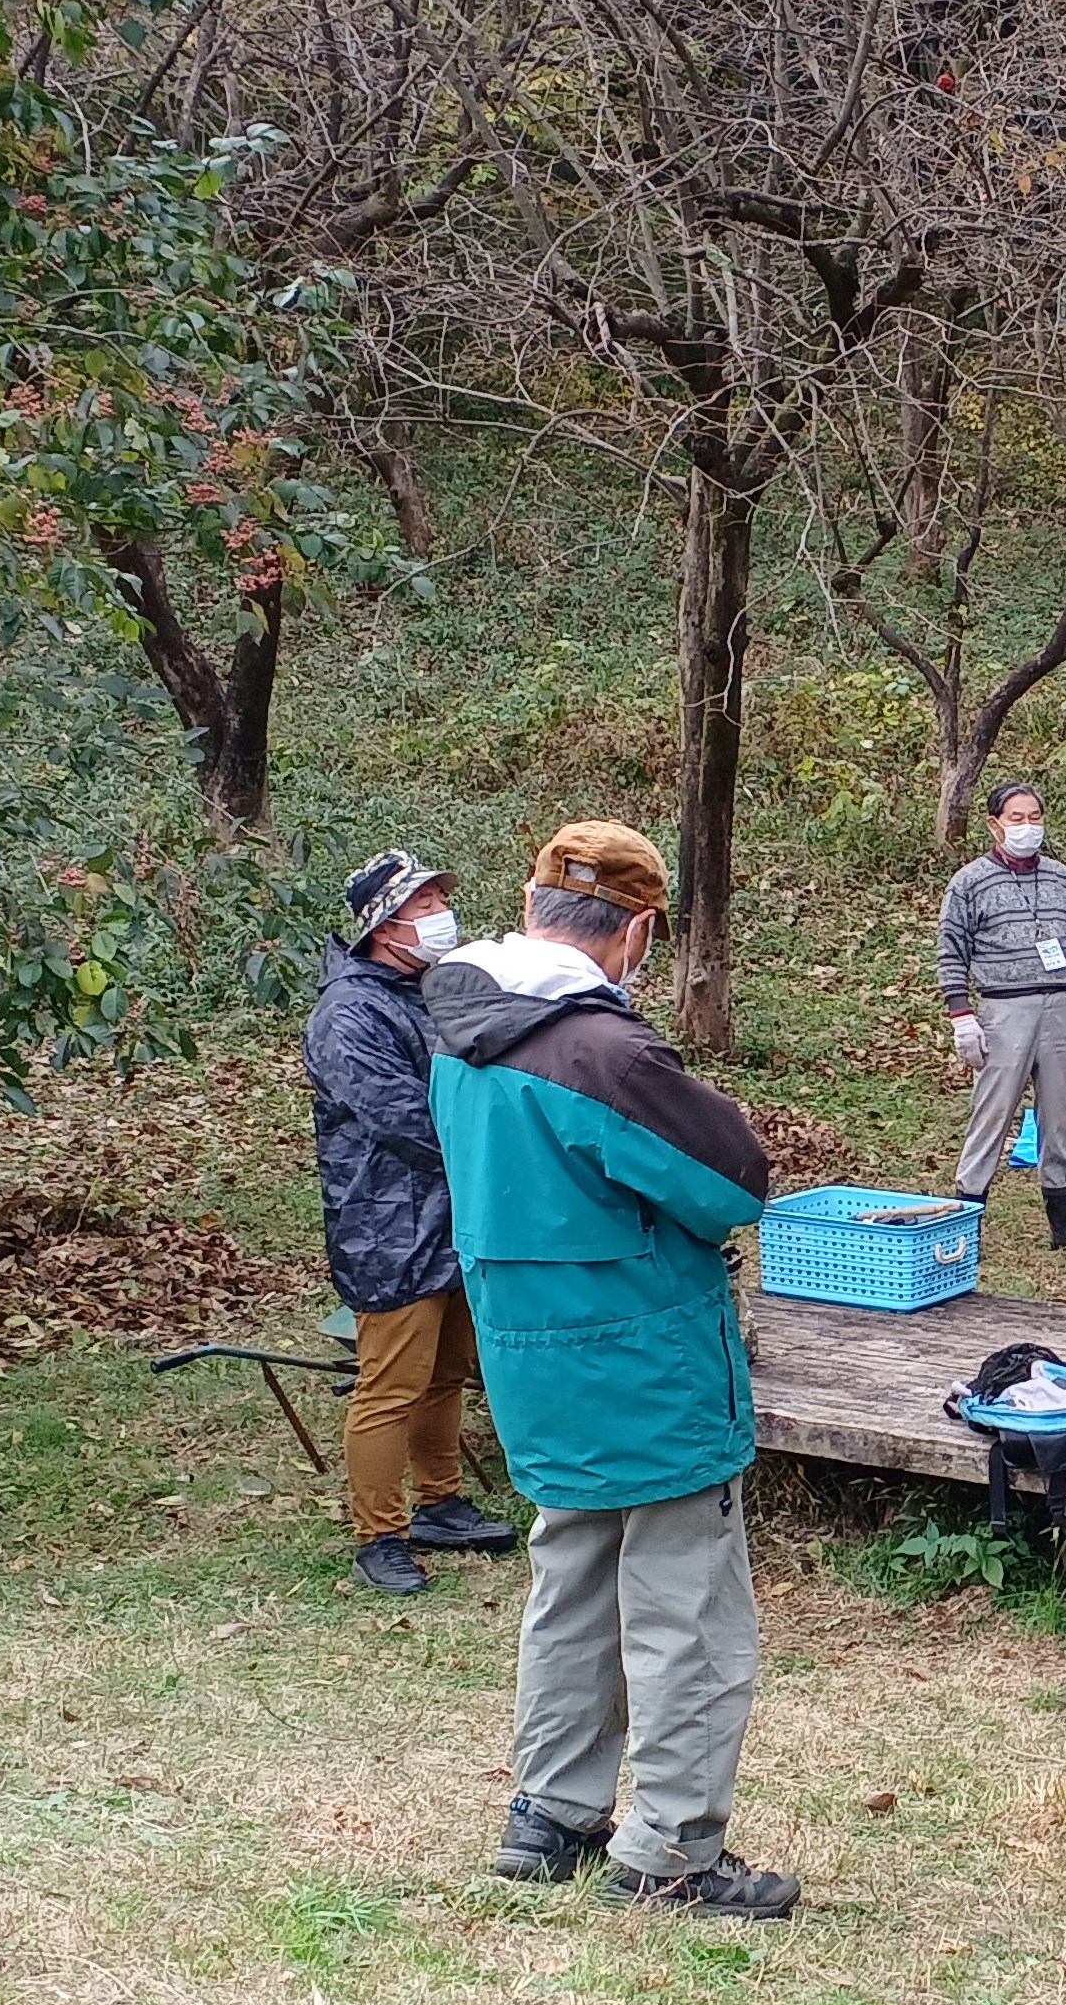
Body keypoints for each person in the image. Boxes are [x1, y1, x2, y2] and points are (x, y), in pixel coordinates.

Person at [424, 821, 795, 1918]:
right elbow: (732, 1181)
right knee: (685, 1608)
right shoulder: (602, 1051)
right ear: (635, 930)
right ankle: (672, 1846)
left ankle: (550, 1811)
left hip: (532, 1355)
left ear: (533, 904)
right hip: (645, 1357)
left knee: (571, 1582)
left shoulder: (457, 1026)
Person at [305, 848, 519, 1597]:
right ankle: (379, 1534)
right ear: (384, 926)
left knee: (447, 1372)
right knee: (390, 1385)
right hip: (386, 1224)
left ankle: (441, 1501)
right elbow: (401, 1118)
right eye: (424, 906)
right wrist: (491, 1151)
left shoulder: (426, 989)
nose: (439, 916)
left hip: (457, 1215)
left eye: (437, 900)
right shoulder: (349, 1013)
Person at [941, 780, 1066, 1252]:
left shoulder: (1062, 879)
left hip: (1061, 1007)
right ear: (995, 825)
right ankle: (964, 1222)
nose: (1028, 827)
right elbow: (951, 951)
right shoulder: (970, 883)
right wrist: (962, 1015)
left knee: (1060, 1117)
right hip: (1004, 1009)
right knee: (991, 1115)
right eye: (1017, 819)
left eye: (1035, 817)